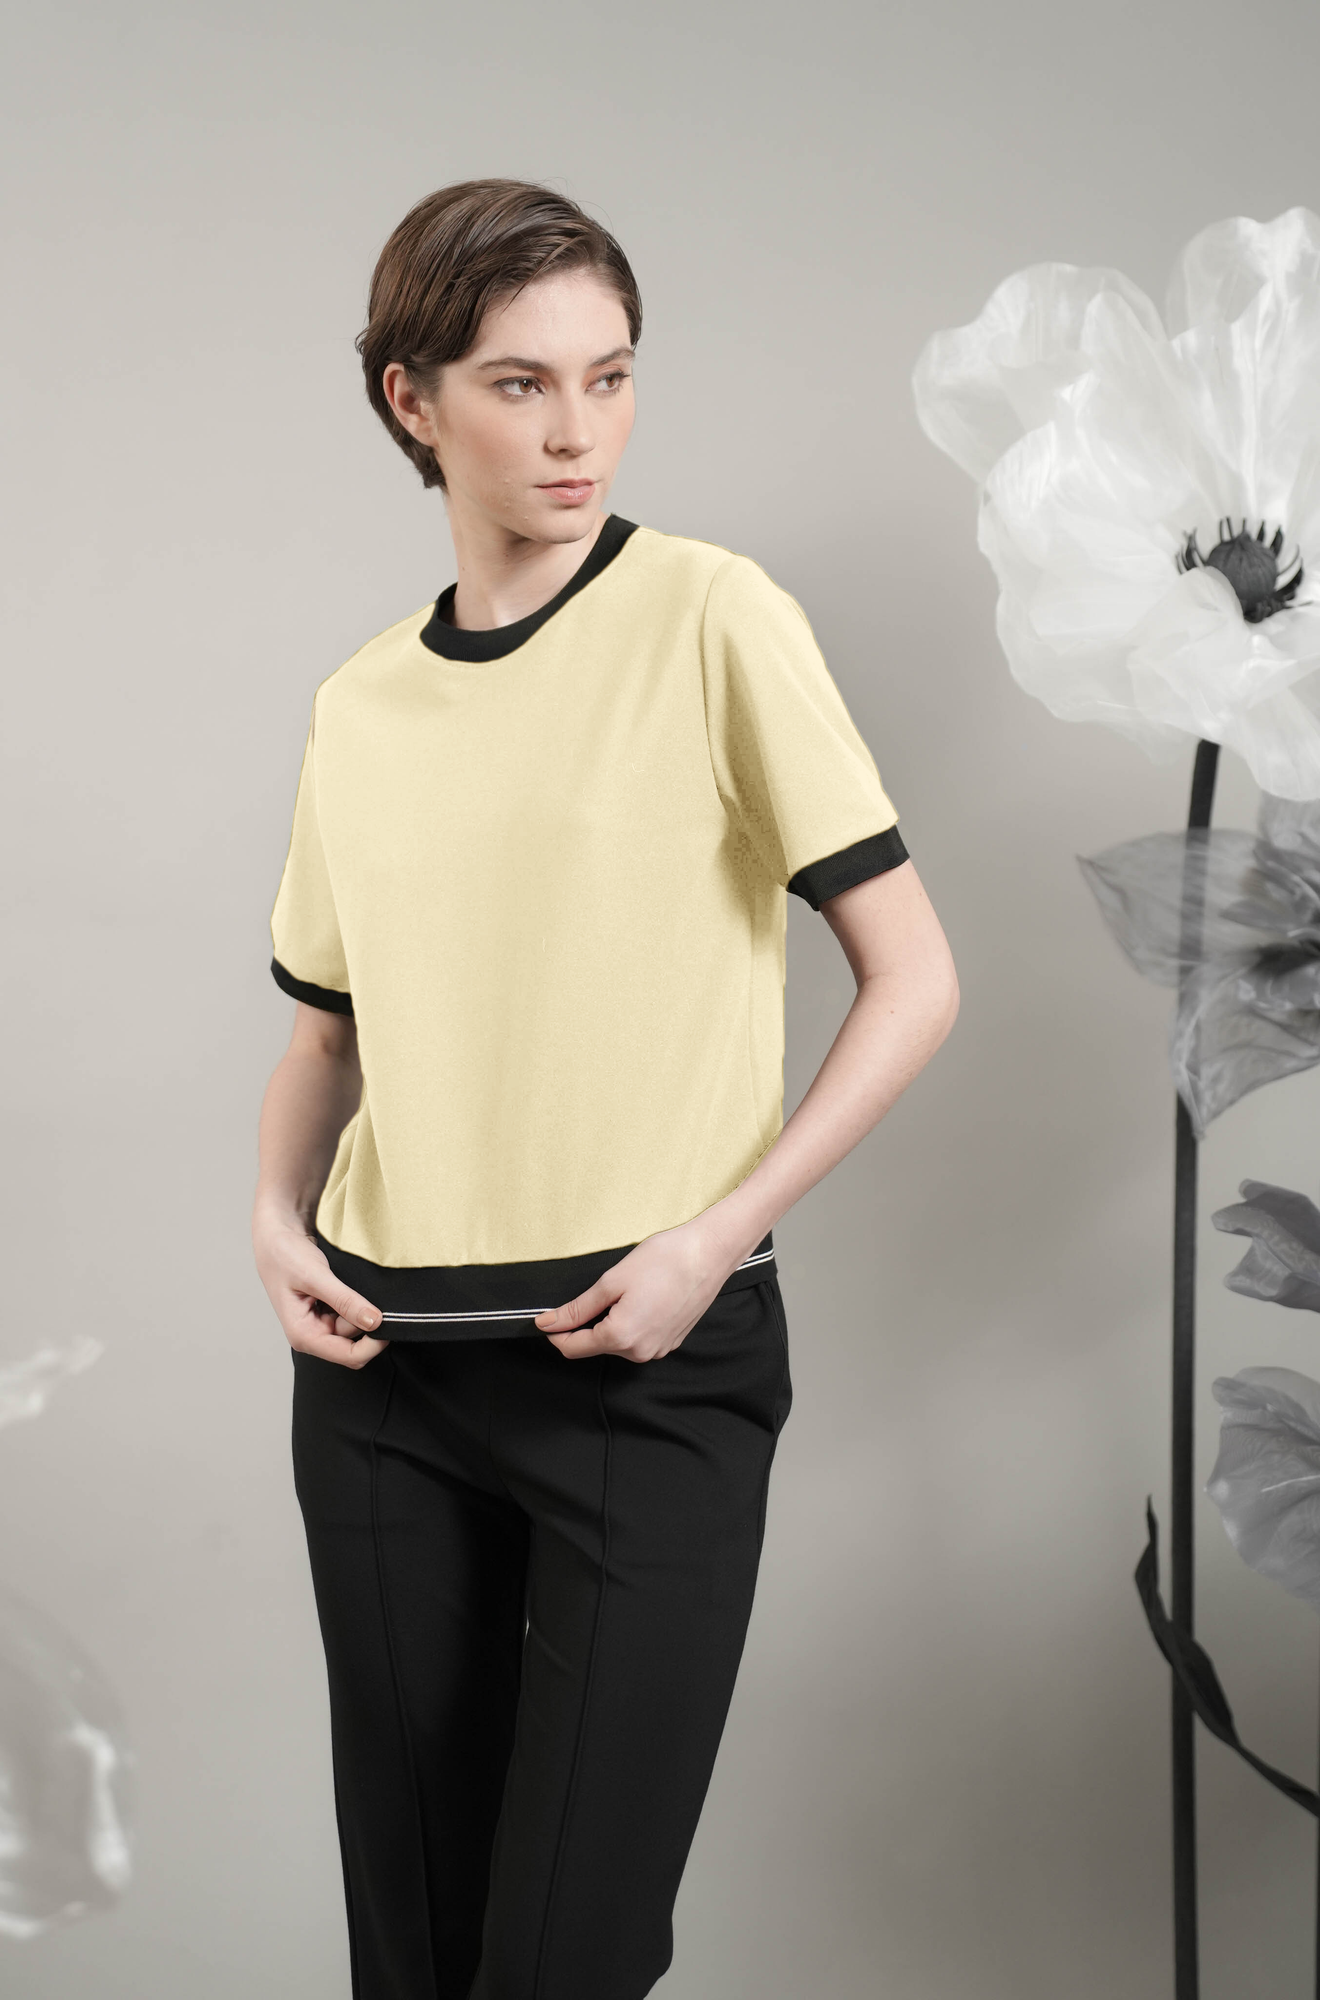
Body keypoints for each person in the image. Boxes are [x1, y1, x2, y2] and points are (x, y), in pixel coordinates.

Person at [252, 178, 959, 2000]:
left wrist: (715, 1241)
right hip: (387, 1381)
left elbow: (916, 980)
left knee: (566, 1958)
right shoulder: (360, 704)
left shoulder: (714, 618)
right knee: (413, 1955)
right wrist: (271, 1221)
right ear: (412, 401)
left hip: (649, 1368)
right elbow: (327, 1038)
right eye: (521, 383)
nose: (577, 430)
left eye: (611, 376)